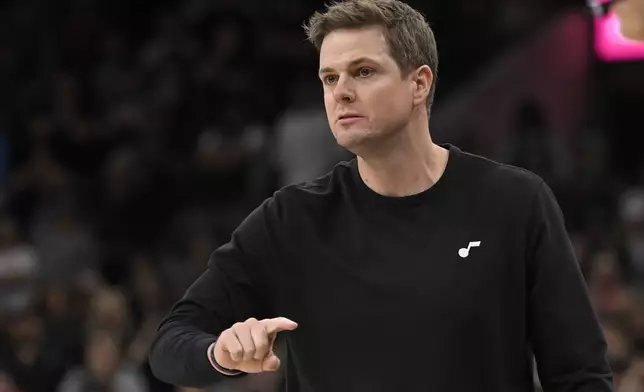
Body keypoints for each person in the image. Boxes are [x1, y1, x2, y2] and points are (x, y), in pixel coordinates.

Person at [149, 0, 613, 391]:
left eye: (363, 71)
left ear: (419, 83)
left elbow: (580, 375)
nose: (341, 93)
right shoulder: (291, 220)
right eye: (329, 78)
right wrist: (220, 353)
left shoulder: (515, 203)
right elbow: (169, 345)